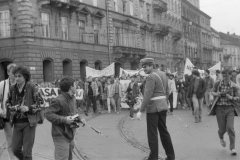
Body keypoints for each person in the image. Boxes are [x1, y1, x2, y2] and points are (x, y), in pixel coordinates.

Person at [136, 58, 175, 160]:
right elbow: (167, 91)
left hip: (153, 108)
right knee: (164, 132)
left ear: (151, 66)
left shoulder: (151, 77)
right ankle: (171, 156)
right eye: (143, 67)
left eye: (145, 67)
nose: (143, 69)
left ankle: (153, 157)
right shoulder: (163, 74)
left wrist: (140, 110)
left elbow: (147, 95)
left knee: (152, 134)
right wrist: (163, 102)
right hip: (163, 106)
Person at [6, 65, 43, 160]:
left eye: (19, 76)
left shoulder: (32, 87)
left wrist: (28, 108)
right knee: (15, 150)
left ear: (25, 77)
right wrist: (13, 107)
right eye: (16, 76)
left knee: (27, 152)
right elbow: (7, 103)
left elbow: (41, 104)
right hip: (17, 123)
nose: (17, 78)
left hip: (29, 123)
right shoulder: (12, 88)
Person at [45, 77, 86, 160]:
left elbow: (73, 113)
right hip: (60, 135)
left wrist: (80, 119)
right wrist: (64, 120)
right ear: (71, 87)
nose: (77, 87)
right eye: (75, 85)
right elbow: (48, 114)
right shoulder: (58, 100)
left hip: (70, 134)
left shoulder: (73, 98)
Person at [210, 69, 240, 155]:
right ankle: (221, 137)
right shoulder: (217, 83)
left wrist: (231, 97)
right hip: (219, 109)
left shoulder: (234, 86)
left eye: (226, 75)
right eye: (223, 75)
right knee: (222, 129)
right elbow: (212, 92)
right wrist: (217, 94)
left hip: (230, 109)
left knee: (230, 128)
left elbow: (238, 98)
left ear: (230, 75)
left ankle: (233, 148)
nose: (225, 77)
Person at [0, 63, 17, 160]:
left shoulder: (20, 83)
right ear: (8, 73)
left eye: (16, 72)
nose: (14, 75)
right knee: (10, 141)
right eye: (12, 72)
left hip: (19, 118)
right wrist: (0, 110)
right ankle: (12, 158)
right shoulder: (3, 84)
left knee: (18, 141)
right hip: (7, 117)